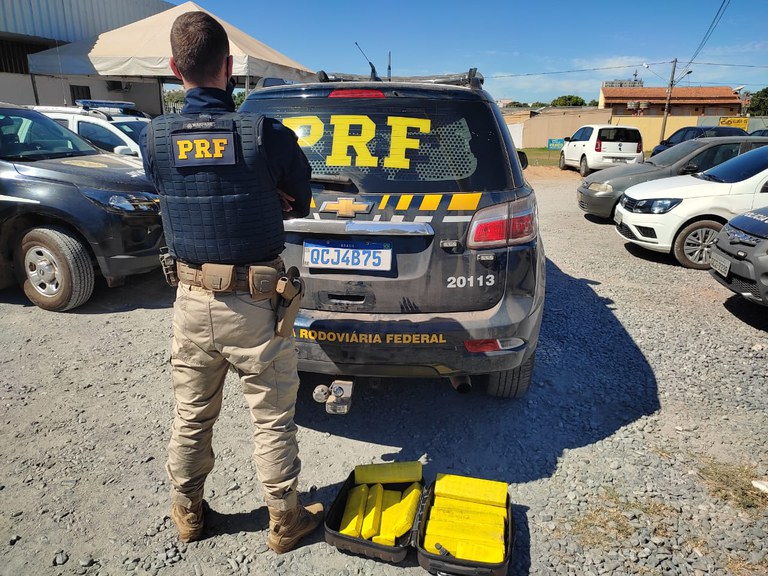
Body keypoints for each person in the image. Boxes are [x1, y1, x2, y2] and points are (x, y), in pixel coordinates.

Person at [140, 11, 322, 553]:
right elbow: (302, 195)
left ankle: (187, 514)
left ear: (175, 70)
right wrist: (271, 192)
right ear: (230, 66)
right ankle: (284, 521)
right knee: (271, 417)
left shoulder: (152, 136)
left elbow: (167, 183)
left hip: (191, 301)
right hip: (258, 304)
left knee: (192, 415)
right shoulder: (265, 134)